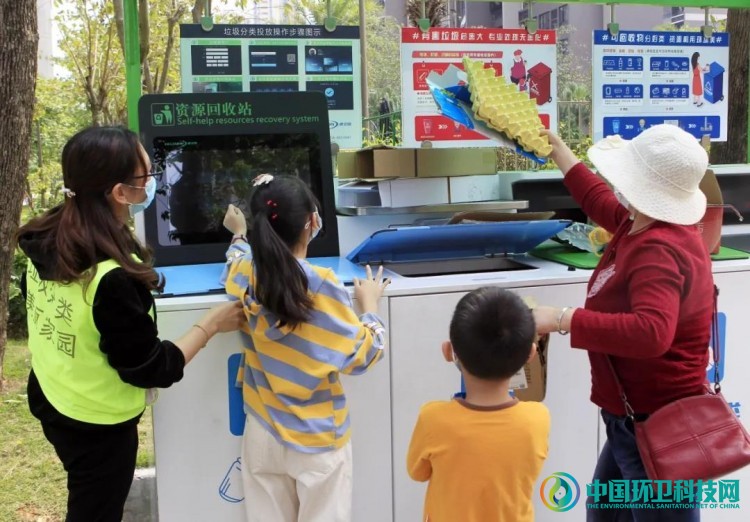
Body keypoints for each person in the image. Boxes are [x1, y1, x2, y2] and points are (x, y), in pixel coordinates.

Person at [15, 126, 245, 522]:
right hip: (96, 425)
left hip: (52, 395)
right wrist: (209, 325)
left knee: (85, 492)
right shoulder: (113, 279)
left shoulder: (46, 236)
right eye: (145, 177)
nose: (153, 182)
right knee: (94, 509)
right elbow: (152, 367)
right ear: (120, 193)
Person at [533, 124, 713, 521]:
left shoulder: (657, 248)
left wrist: (563, 319)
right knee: (605, 511)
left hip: (655, 423)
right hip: (631, 420)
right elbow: (601, 203)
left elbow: (652, 333)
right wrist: (560, 152)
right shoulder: (645, 224)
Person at [221, 174, 389, 522]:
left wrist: (238, 235)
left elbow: (234, 264)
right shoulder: (322, 286)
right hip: (317, 440)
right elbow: (365, 354)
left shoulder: (247, 274)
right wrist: (370, 308)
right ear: (312, 222)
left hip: (262, 434)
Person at [406, 286, 551, 522]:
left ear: (449, 351)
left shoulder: (433, 418)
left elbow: (417, 472)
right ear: (531, 354)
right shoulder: (538, 418)